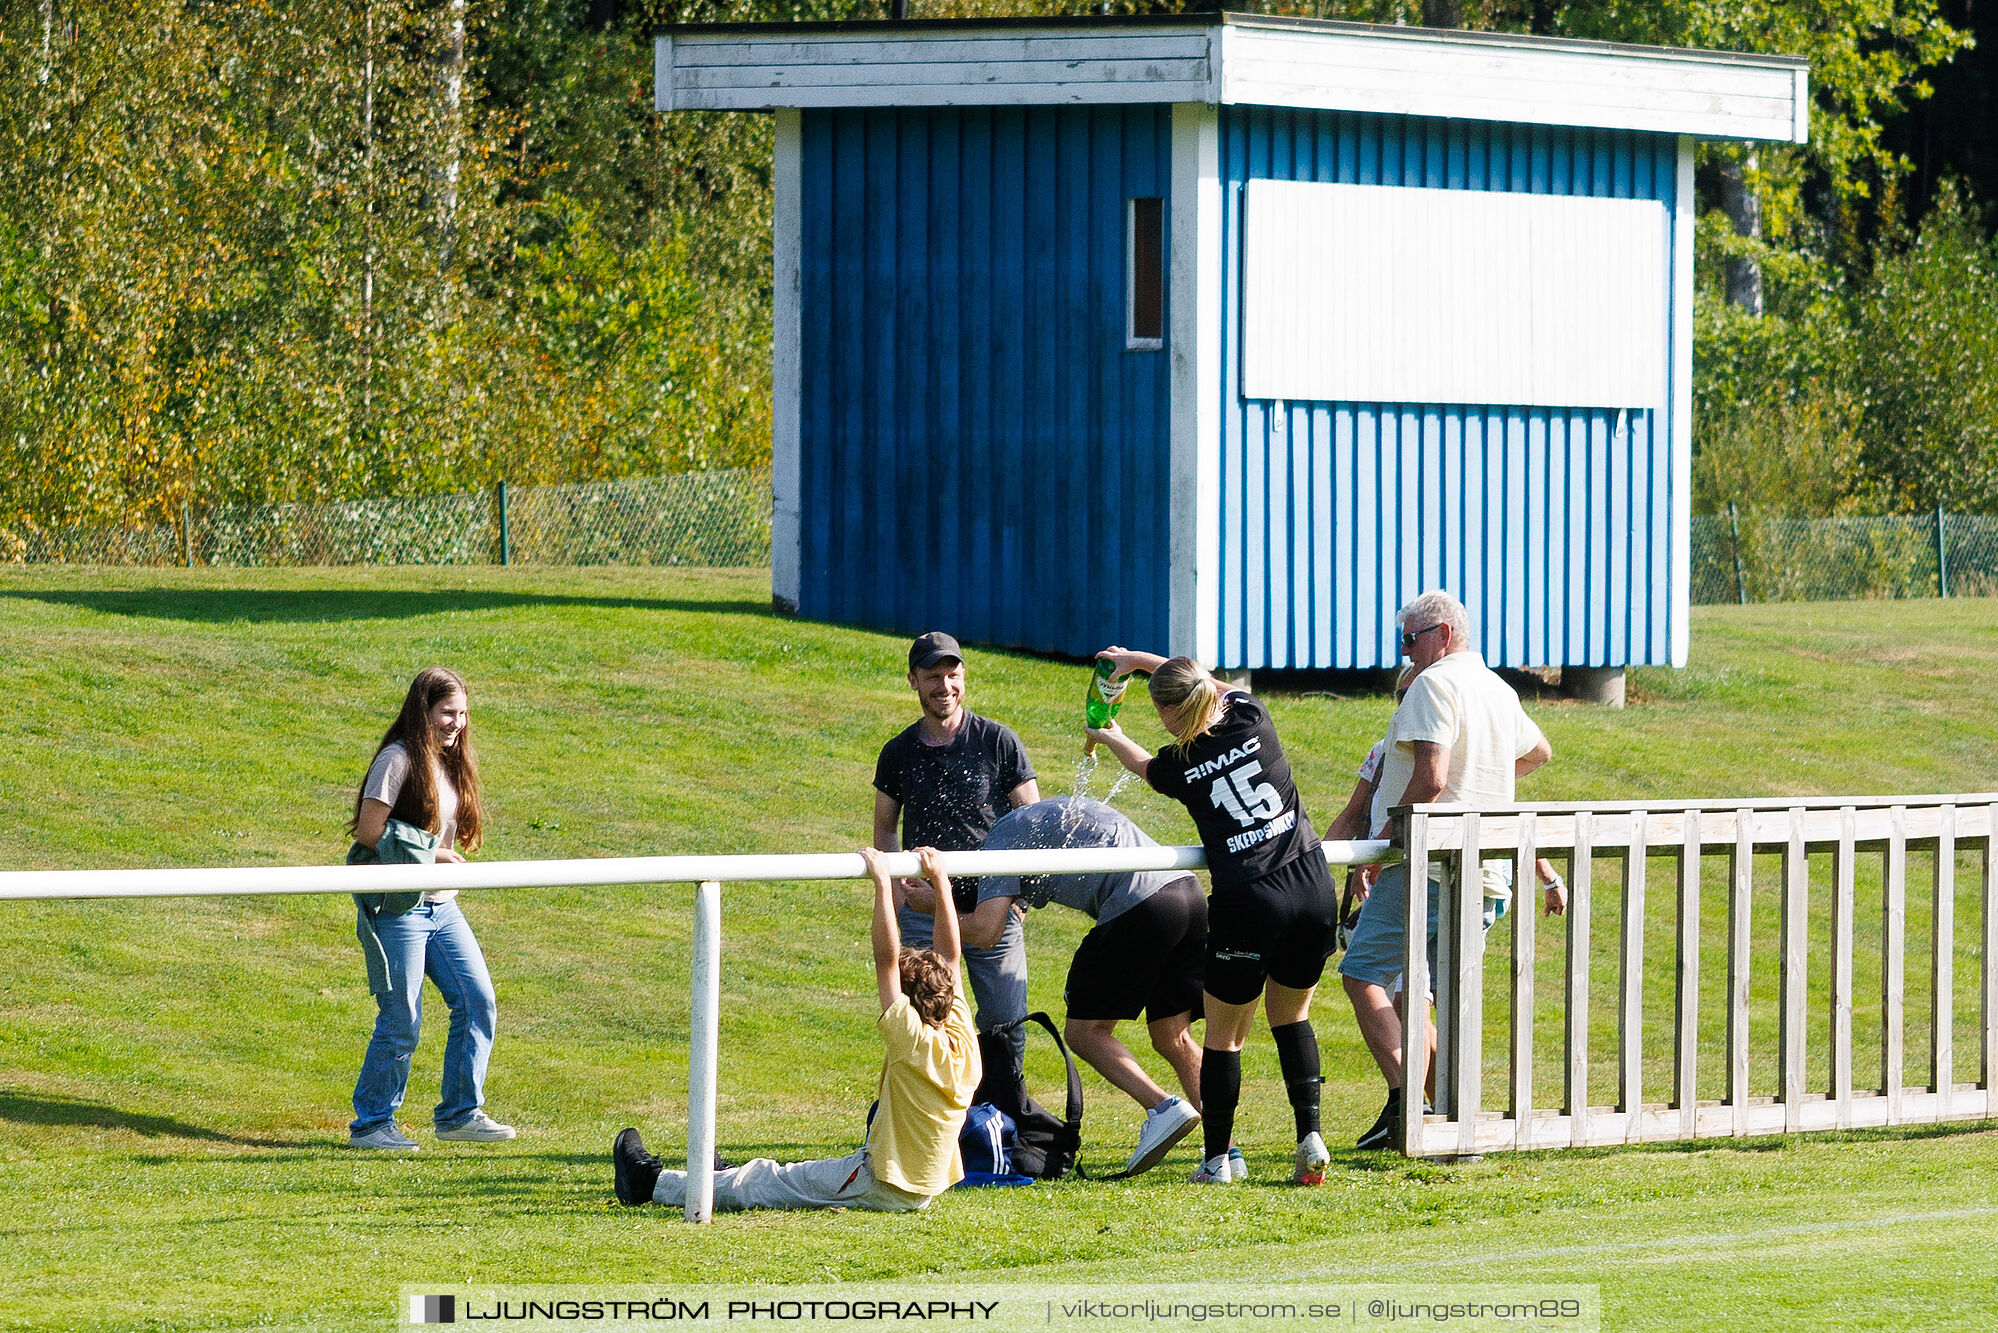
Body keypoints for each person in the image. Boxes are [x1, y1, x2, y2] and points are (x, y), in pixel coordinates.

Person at [1086, 650, 1337, 1187]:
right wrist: (1137, 660)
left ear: (1166, 713)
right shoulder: (1252, 714)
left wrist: (1105, 731)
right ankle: (1310, 1137)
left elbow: (1140, 764)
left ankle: (1217, 1161)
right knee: (1292, 1017)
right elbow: (1207, 684)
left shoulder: (1180, 764)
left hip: (1249, 899)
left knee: (1225, 1039)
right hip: (1312, 884)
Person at [613, 846, 980, 1213]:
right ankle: (717, 1178)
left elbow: (885, 959)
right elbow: (949, 956)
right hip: (918, 1186)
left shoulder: (912, 1040)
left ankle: (649, 1183)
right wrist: (940, 881)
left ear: (909, 1003)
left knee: (766, 1181)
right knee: (776, 1179)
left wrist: (883, 884)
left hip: (882, 1183)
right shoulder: (961, 1034)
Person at [1337, 590, 1553, 1151]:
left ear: (1443, 636)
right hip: (1484, 871)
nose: (1406, 652)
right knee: (1433, 994)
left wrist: (1380, 851)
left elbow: (1430, 780)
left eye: (1410, 640)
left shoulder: (1435, 684)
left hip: (1427, 866)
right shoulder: (1499, 690)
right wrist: (1482, 775)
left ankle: (1411, 1106)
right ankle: (1451, 1121)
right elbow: (1538, 753)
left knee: (1362, 974)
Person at [964, 797, 1206, 1178]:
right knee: (1173, 1036)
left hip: (1140, 904)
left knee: (1085, 1033)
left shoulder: (1000, 838)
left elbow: (985, 930)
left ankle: (1162, 1108)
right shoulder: (1051, 811)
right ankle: (1224, 1153)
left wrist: (934, 906)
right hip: (1187, 893)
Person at [345, 666, 514, 1150]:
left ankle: (460, 1113)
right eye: (446, 713)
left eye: (462, 714)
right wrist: (432, 851)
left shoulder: (450, 760)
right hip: (401, 908)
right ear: (424, 711)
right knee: (402, 1019)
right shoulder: (396, 759)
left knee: (478, 1000)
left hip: (443, 907)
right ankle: (372, 1124)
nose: (456, 723)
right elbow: (367, 831)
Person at [874, 631, 1040, 1061]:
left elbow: (1033, 823)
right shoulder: (897, 752)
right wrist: (897, 896)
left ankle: (1004, 1116)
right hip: (924, 912)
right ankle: (931, 1120)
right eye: (933, 676)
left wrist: (1018, 900)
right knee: (920, 1025)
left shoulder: (998, 741)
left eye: (953, 674)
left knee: (1006, 1024)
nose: (944, 686)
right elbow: (885, 829)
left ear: (964, 676)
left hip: (993, 910)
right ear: (913, 680)